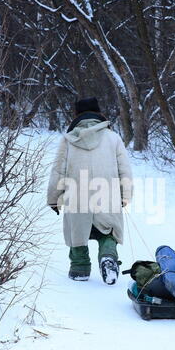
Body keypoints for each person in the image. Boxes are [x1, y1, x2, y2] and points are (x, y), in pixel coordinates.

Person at [47, 97, 133, 284]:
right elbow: (124, 169)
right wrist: (125, 196)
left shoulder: (68, 140)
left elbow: (58, 170)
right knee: (108, 231)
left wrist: (53, 199)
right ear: (98, 113)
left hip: (77, 194)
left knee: (76, 231)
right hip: (107, 193)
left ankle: (80, 268)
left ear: (76, 115)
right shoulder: (113, 138)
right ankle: (108, 258)